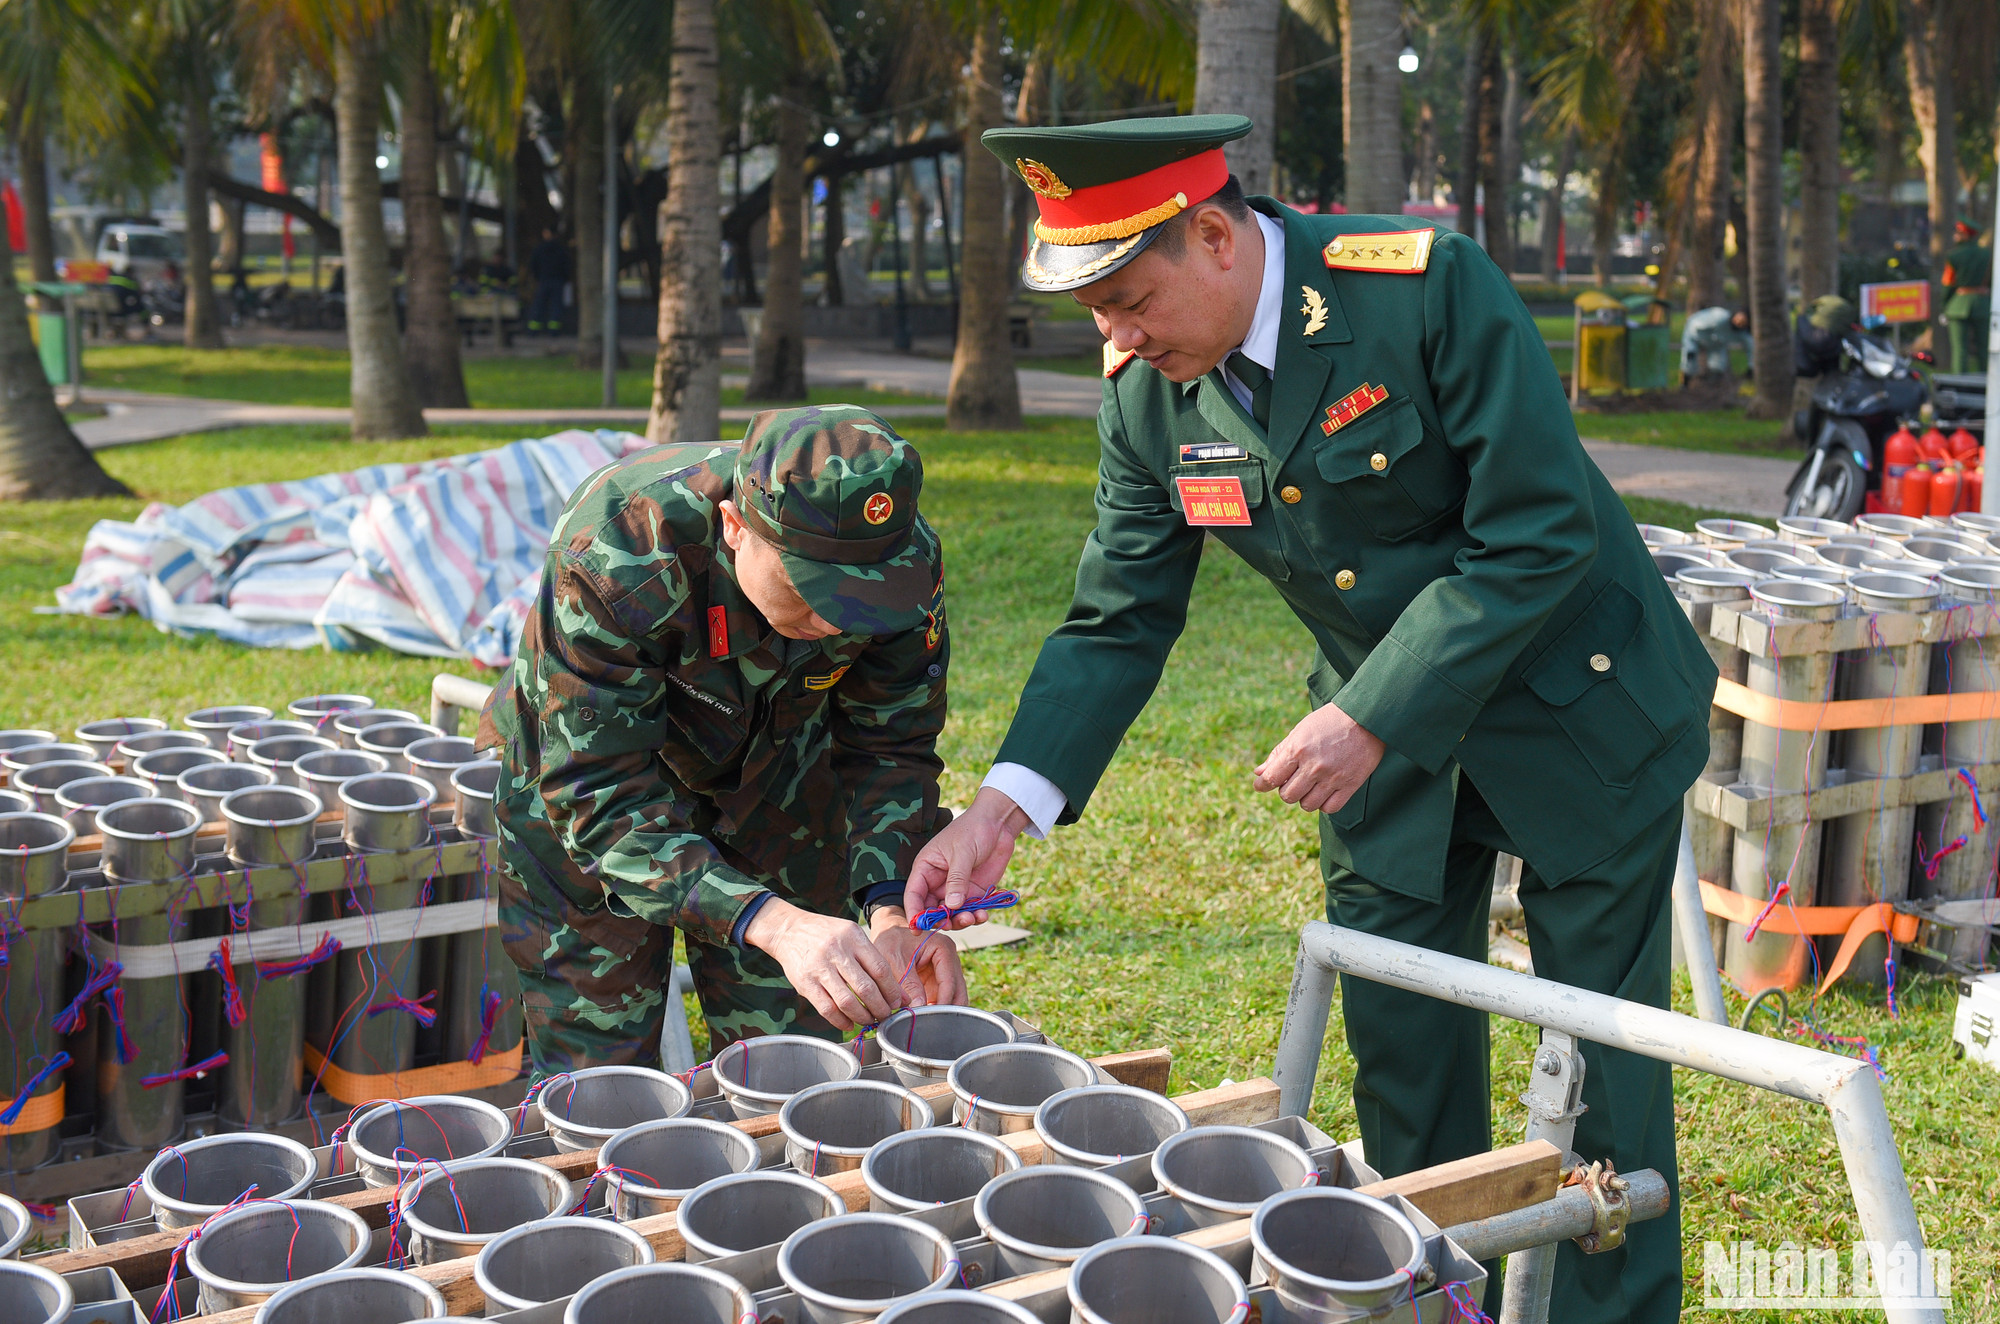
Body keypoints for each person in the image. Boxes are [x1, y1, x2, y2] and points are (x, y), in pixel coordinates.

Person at [904, 114, 1716, 1323]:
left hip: (1577, 716)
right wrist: (998, 810)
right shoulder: (1147, 403)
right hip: (1383, 763)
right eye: (1095, 315)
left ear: (1218, 238)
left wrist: (1373, 715)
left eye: (1129, 299)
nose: (1114, 341)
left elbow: (1538, 532)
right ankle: (1442, 1304)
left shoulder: (1423, 294)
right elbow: (1115, 615)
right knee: (1402, 1060)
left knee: (1595, 1083)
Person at [486, 405, 961, 1073]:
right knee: (597, 1075)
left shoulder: (899, 568)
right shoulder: (619, 545)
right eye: (812, 589)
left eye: (859, 602)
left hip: (779, 784)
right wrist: (776, 923)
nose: (833, 620)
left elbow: (892, 747)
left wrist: (889, 906)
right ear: (736, 528)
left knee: (798, 1061)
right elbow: (596, 792)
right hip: (597, 797)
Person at [1941, 220, 1991, 375]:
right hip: (1983, 303)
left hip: (1958, 304)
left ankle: (1959, 383)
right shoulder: (1987, 254)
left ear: (1965, 234)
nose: (1955, 236)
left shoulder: (1954, 256)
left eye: (1958, 232)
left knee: (1960, 349)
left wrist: (1944, 306)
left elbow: (1948, 283)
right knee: (1985, 347)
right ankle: (1987, 381)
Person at [1681, 305, 1751, 382]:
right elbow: (1694, 325)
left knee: (1718, 366)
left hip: (1715, 345)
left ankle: (1711, 387)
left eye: (1743, 322)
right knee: (1690, 358)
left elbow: (1751, 347)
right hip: (1694, 337)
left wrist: (1752, 367)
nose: (1739, 322)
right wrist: (1702, 340)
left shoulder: (1741, 333)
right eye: (1739, 318)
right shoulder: (1720, 317)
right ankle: (1685, 385)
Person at [526, 227, 570, 336]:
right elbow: (567, 266)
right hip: (557, 281)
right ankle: (553, 332)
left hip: (544, 281)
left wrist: (537, 277)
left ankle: (533, 332)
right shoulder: (561, 249)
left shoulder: (540, 248)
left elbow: (533, 265)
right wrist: (564, 278)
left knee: (539, 305)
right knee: (556, 306)